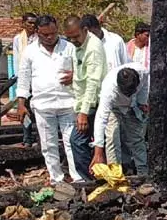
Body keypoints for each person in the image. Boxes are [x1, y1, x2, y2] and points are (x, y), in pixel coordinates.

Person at [16, 15, 77, 184]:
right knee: (48, 144)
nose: (50, 37)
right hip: (43, 105)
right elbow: (23, 78)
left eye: (53, 33)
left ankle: (78, 177)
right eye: (45, 35)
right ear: (37, 32)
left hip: (68, 103)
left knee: (71, 142)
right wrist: (21, 104)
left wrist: (75, 76)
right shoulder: (30, 51)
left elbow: (81, 68)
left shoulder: (69, 47)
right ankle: (56, 178)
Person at [81, 14, 131, 167]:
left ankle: (121, 167)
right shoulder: (84, 43)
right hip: (93, 95)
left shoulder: (115, 41)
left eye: (92, 33)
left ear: (97, 28)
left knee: (117, 134)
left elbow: (126, 64)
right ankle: (105, 167)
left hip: (116, 94)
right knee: (99, 132)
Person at [63, 16, 107, 181]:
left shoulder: (93, 47)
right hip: (82, 102)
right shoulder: (80, 45)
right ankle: (93, 178)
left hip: (93, 103)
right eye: (70, 38)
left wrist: (83, 112)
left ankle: (89, 180)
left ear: (85, 30)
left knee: (77, 141)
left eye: (76, 36)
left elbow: (93, 83)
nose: (73, 40)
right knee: (86, 142)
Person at [90, 63, 149, 176]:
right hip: (114, 108)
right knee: (112, 138)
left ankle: (143, 174)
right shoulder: (109, 89)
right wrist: (98, 151)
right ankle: (115, 176)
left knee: (137, 139)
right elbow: (101, 118)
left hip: (133, 104)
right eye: (126, 92)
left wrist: (142, 102)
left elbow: (145, 86)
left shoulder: (144, 72)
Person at [12, 12, 38, 148]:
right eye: (30, 23)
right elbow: (17, 59)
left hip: (37, 79)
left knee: (38, 108)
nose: (32, 26)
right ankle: (27, 137)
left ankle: (39, 136)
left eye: (34, 23)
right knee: (25, 109)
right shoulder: (18, 39)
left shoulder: (39, 38)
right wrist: (20, 78)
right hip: (24, 79)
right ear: (23, 24)